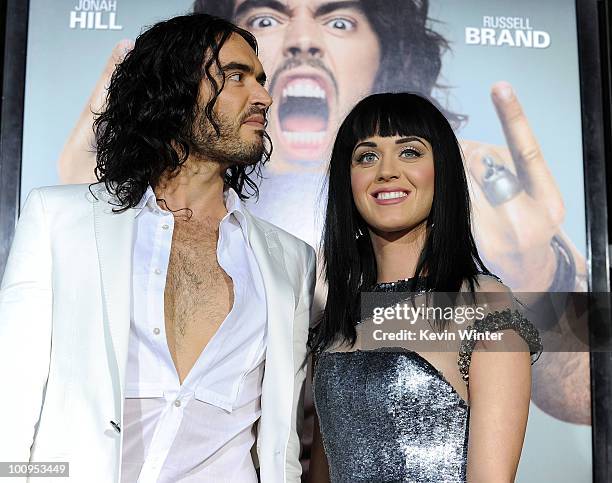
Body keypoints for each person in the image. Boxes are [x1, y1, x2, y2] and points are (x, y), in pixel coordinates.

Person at [54, 0, 586, 425]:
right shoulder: (96, 219)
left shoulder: (302, 263)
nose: (303, 39)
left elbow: (585, 397)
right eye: (265, 18)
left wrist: (544, 275)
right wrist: (99, 227)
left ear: (387, 54)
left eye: (339, 19)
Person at [0, 14, 315, 482]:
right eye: (235, 77)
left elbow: (282, 440)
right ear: (174, 89)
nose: (264, 97)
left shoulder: (291, 259)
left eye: (261, 81)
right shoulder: (59, 220)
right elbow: (12, 394)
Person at [308, 93, 542, 482]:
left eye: (410, 152)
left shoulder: (483, 306)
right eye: (367, 156)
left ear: (443, 171)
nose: (386, 171)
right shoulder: (337, 317)